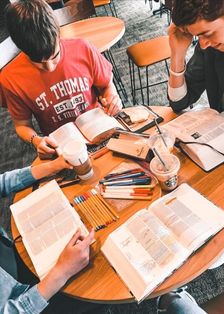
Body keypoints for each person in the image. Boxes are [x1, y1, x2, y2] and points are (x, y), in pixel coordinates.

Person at [1, 0, 122, 159]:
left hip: (101, 130)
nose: (50, 67)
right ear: (20, 48)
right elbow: (22, 125)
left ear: (58, 34)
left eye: (55, 56)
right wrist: (36, 140)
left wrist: (112, 98)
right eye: (39, 62)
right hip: (64, 148)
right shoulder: (10, 78)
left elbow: (106, 85)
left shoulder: (82, 48)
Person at [0, 157, 95, 313]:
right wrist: (62, 272)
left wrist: (52, 166)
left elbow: (2, 183)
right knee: (93, 287)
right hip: (26, 300)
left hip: (10, 259)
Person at [167, 0, 224, 114]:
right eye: (198, 36)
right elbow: (179, 102)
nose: (203, 45)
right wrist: (177, 55)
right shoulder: (211, 48)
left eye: (208, 34)